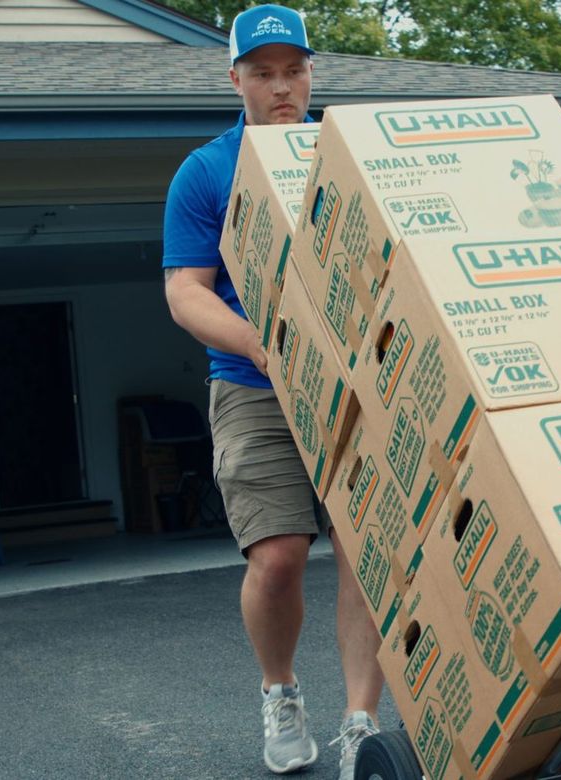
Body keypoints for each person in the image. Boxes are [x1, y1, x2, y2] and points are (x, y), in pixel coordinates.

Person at [162, 6, 383, 779]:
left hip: (357, 386)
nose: (281, 86)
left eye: (294, 70)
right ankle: (280, 691)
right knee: (281, 555)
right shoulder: (207, 170)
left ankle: (363, 722)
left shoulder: (352, 154)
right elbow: (186, 291)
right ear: (236, 79)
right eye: (263, 72)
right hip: (256, 386)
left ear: (311, 74)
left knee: (365, 554)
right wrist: (258, 340)